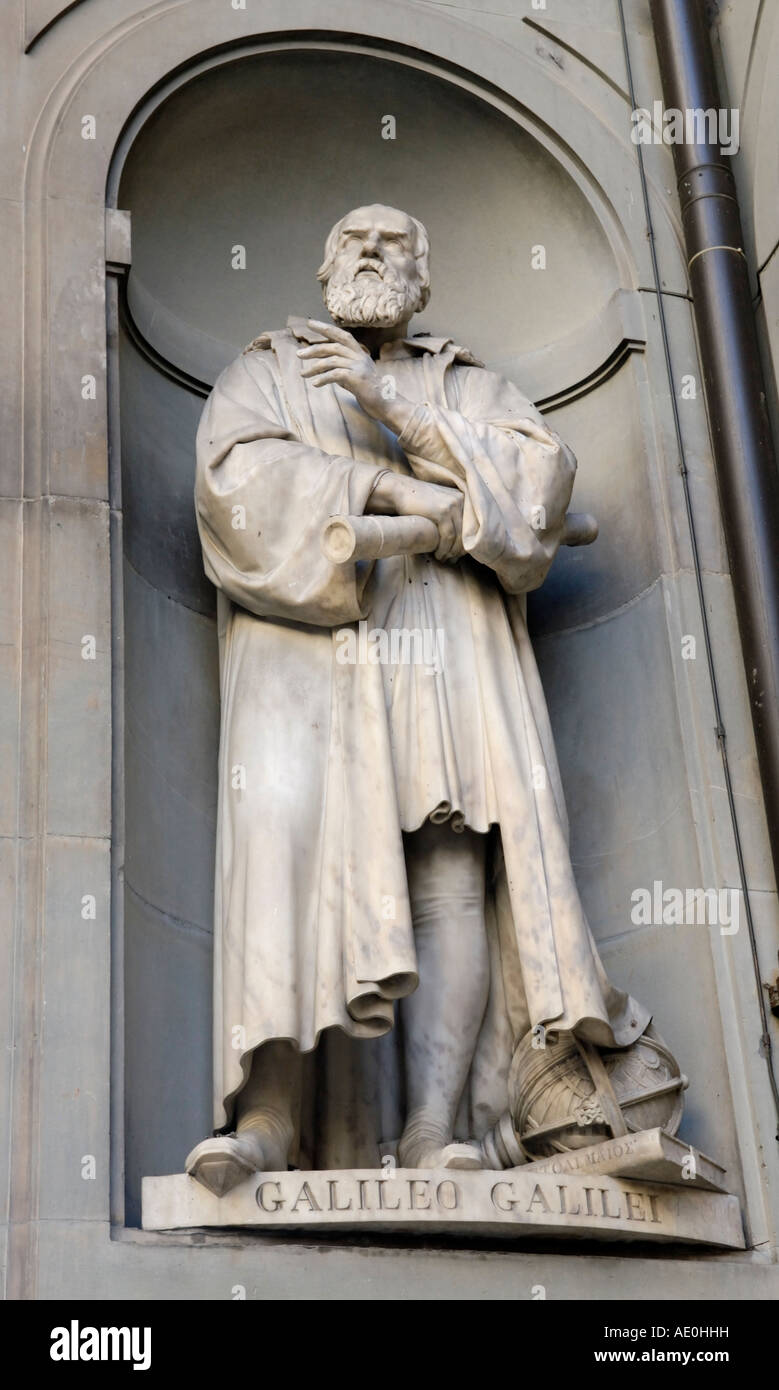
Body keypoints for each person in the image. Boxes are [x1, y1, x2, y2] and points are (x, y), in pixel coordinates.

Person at [186, 204, 647, 1196]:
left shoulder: (468, 383)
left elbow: (536, 489)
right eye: (350, 238)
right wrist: (389, 491)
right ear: (321, 267)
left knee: (449, 865)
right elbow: (234, 490)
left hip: (445, 640)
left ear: (422, 276)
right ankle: (268, 1117)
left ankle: (437, 1123)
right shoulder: (264, 370)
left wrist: (393, 406)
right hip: (312, 650)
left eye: (393, 243)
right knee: (289, 857)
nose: (368, 252)